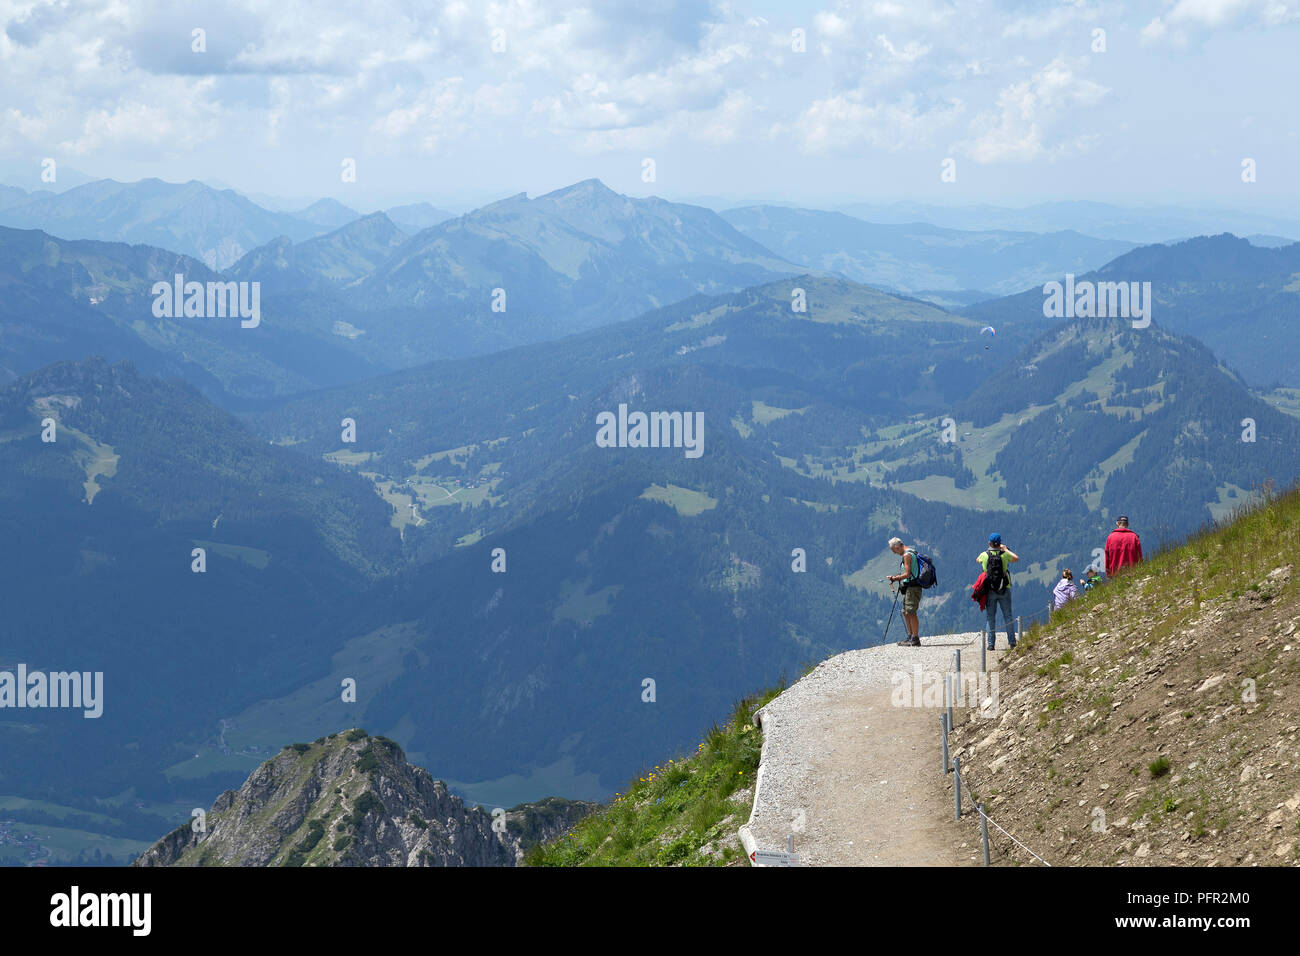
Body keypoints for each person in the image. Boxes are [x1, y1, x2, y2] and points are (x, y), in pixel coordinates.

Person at [977, 533, 1019, 650]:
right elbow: (1016, 558)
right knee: (1008, 616)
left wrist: (988, 551)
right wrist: (1005, 549)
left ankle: (991, 644)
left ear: (989, 543)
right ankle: (1012, 642)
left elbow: (977, 560)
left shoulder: (984, 555)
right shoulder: (1004, 555)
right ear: (1000, 543)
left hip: (989, 589)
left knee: (990, 617)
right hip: (1004, 588)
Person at [886, 537, 922, 646]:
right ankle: (910, 636)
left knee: (911, 611)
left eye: (894, 551)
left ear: (897, 547)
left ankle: (915, 639)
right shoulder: (911, 551)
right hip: (910, 586)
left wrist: (894, 578)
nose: (894, 553)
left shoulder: (907, 555)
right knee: (905, 612)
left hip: (913, 587)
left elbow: (907, 574)